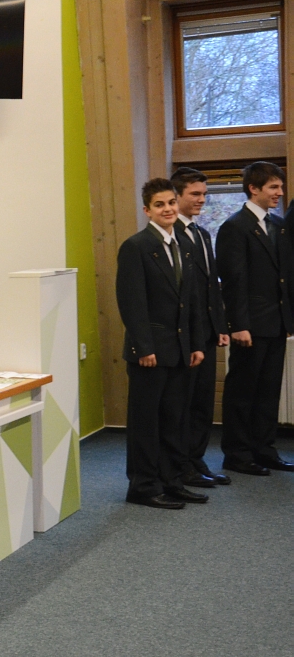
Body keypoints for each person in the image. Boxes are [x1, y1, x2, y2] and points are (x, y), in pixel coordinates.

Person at [115, 178, 207, 509]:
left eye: (170, 203)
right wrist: (144, 347)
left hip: (181, 349)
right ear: (147, 210)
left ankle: (172, 481)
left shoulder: (184, 245)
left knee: (174, 420)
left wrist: (196, 343)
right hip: (150, 352)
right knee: (146, 423)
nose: (167, 209)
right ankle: (143, 486)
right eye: (159, 204)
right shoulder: (136, 246)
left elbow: (191, 300)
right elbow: (131, 302)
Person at [216, 161, 294, 476]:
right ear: (253, 188)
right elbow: (233, 281)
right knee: (243, 392)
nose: (280, 193)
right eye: (274, 187)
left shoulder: (278, 225)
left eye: (280, 187)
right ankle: (237, 454)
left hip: (276, 323)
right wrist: (239, 325)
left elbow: (284, 276)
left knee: (268, 391)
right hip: (250, 325)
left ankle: (264, 449)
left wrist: (287, 319)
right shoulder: (234, 227)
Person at [170, 167, 231, 488]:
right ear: (176, 196)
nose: (202, 200)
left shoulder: (202, 233)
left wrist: (219, 325)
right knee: (184, 402)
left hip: (207, 332)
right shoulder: (171, 235)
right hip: (185, 335)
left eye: (204, 194)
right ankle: (181, 466)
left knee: (203, 402)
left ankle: (196, 460)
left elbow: (211, 286)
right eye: (195, 194)